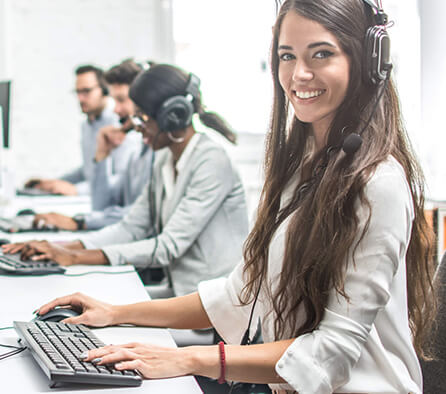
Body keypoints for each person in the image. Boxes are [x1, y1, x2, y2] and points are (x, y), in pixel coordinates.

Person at [32, 1, 437, 393]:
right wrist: (114, 313)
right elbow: (237, 295)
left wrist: (192, 359)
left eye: (321, 54)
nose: (299, 75)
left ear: (367, 62)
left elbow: (330, 353)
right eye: (286, 56)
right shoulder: (302, 168)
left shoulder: (377, 183)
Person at [5, 64, 248, 297]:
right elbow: (131, 228)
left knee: (106, 322)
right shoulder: (165, 158)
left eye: (142, 117)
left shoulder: (211, 161)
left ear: (171, 117)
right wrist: (61, 246)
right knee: (91, 306)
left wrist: (75, 257)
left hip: (214, 310)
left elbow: (167, 247)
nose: (136, 126)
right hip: (183, 293)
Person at [33, 59, 154, 231]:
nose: (116, 109)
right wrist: (101, 155)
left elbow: (142, 217)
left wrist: (79, 219)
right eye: (78, 92)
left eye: (121, 100)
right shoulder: (136, 153)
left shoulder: (134, 140)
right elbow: (102, 204)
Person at [24, 65, 140, 197]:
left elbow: (122, 180)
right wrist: (55, 183)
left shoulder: (120, 124)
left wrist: (76, 190)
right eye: (77, 92)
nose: (80, 98)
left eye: (86, 91)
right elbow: (87, 171)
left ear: (104, 91)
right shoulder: (87, 125)